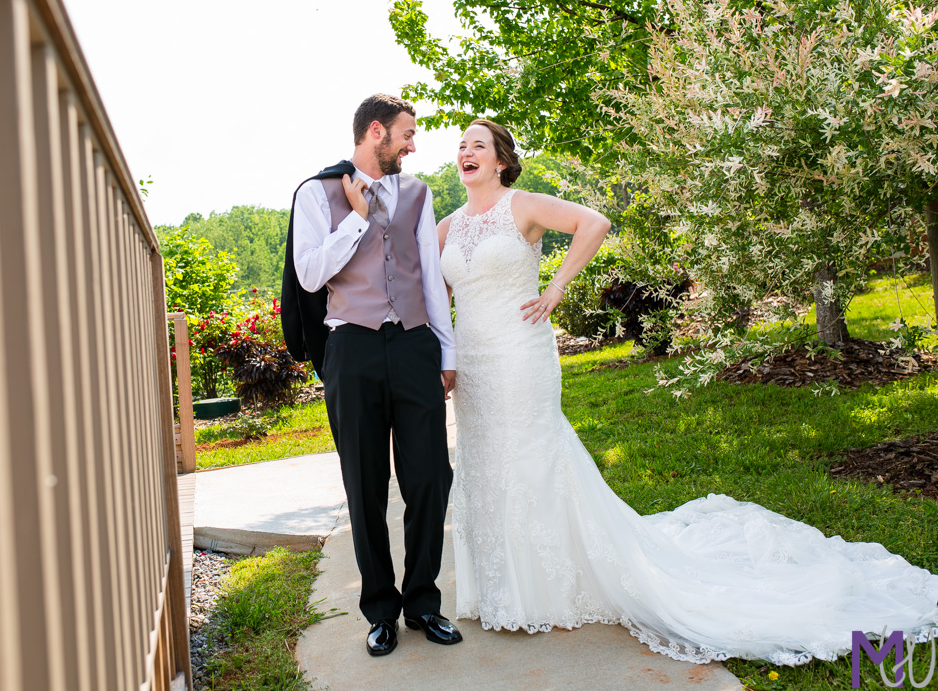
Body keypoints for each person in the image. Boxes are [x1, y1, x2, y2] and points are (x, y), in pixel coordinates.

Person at [438, 118, 938, 664]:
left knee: (532, 456)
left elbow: (595, 221)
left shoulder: (524, 205)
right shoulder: (447, 227)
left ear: (501, 161)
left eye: (478, 146)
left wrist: (556, 287)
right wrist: (445, 357)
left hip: (520, 352)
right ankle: (500, 587)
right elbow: (439, 294)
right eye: (462, 146)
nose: (467, 152)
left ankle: (547, 587)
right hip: (474, 363)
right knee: (486, 462)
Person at [281, 93, 462, 657]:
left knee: (431, 476)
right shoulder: (317, 193)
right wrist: (356, 222)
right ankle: (380, 611)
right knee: (364, 486)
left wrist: (446, 350)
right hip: (352, 349)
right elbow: (309, 276)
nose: (414, 144)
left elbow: (430, 275)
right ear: (377, 132)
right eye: (408, 134)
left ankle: (423, 604)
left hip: (413, 345)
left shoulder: (417, 194)